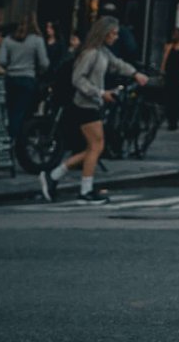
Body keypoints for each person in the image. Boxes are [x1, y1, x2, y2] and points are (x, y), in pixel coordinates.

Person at [44, 13, 144, 203]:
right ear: (104, 33)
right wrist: (100, 93)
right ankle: (84, 190)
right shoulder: (90, 53)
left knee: (93, 147)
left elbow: (116, 64)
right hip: (84, 104)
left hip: (91, 104)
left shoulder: (102, 52)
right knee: (96, 146)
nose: (116, 37)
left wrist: (135, 73)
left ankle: (55, 176)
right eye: (113, 34)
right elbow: (78, 79)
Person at [0, 21, 49, 177]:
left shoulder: (7, 41)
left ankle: (9, 139)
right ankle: (17, 140)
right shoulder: (36, 41)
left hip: (11, 79)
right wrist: (38, 71)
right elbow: (44, 62)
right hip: (28, 79)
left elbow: (2, 61)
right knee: (23, 112)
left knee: (12, 111)